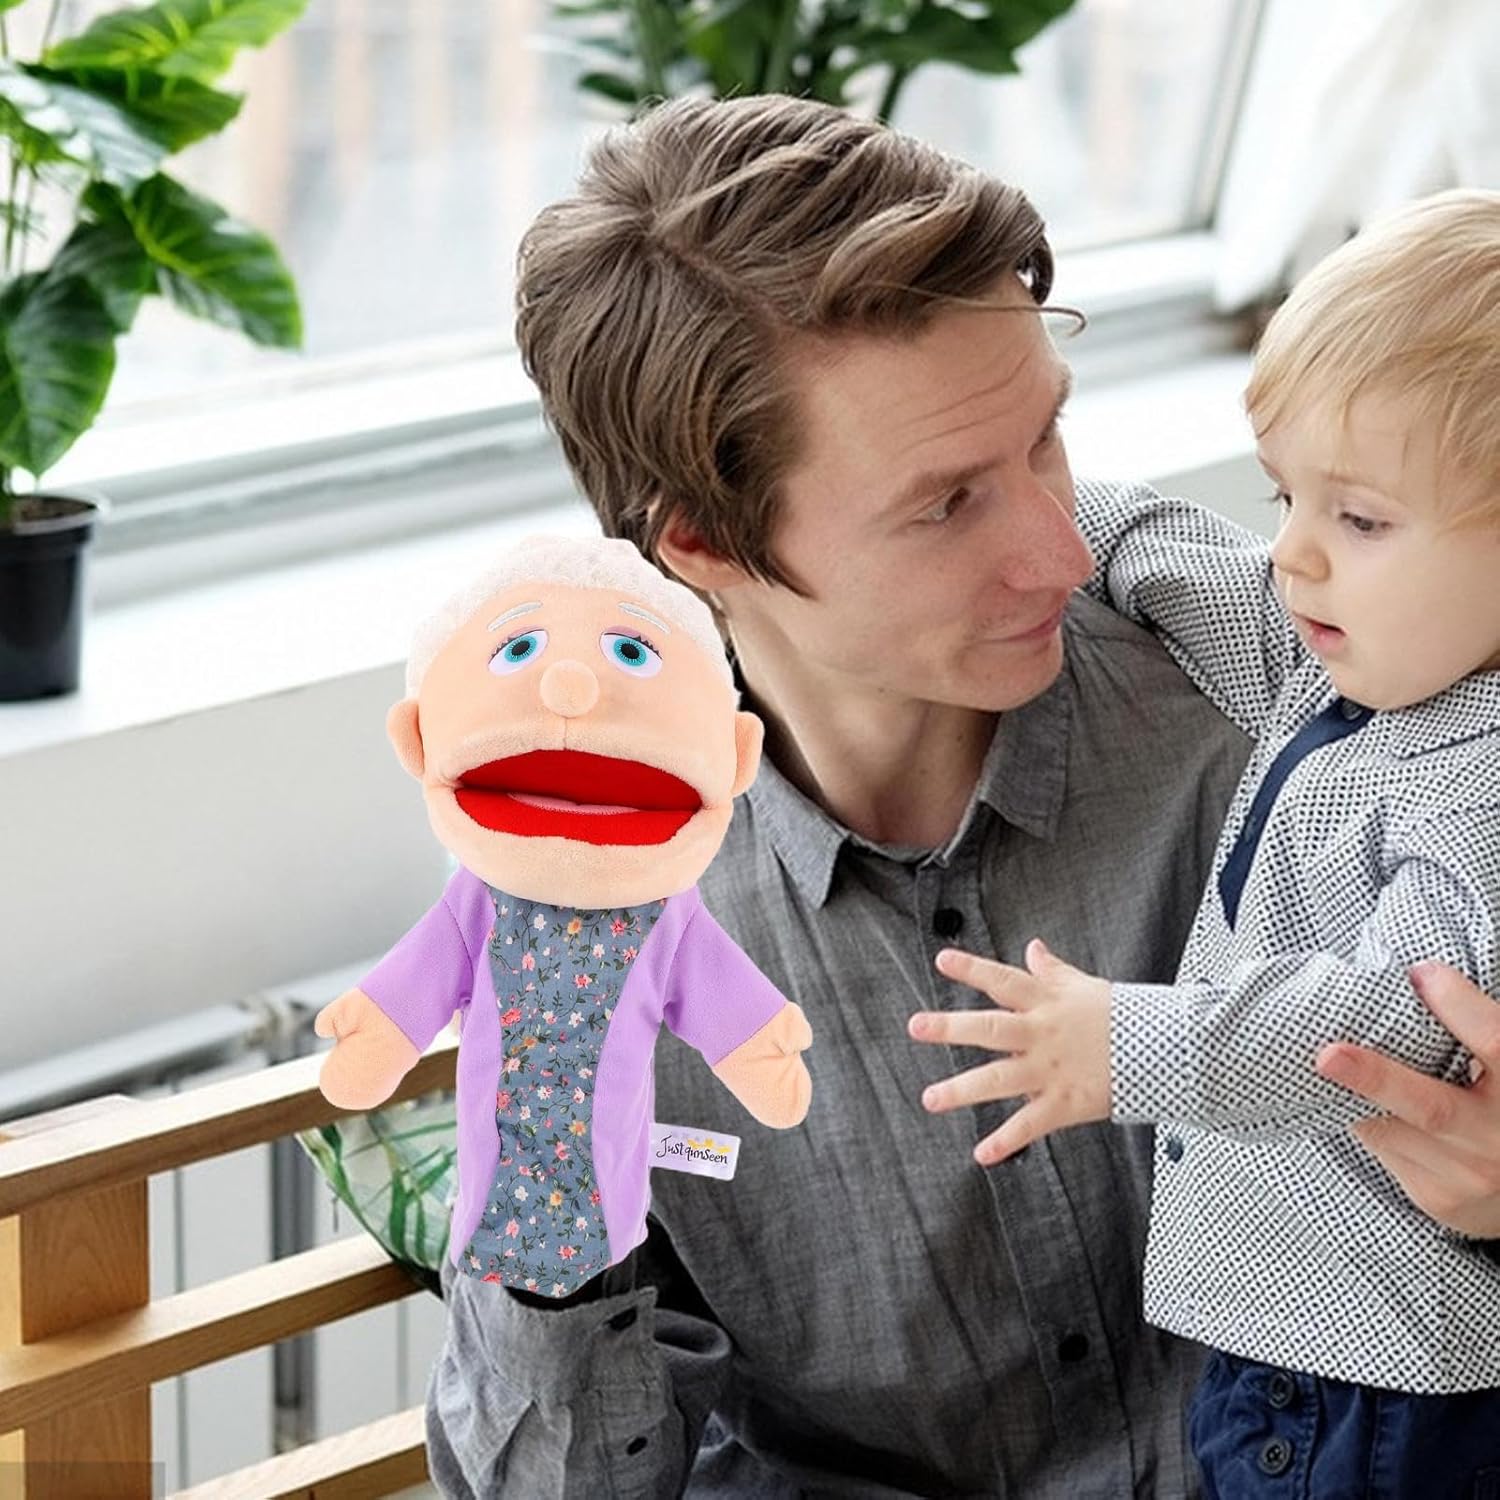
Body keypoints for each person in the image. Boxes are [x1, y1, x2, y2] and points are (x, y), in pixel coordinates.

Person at [420, 96, 1500, 1498]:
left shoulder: (1301, 709)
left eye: (1046, 439)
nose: (1063, 550)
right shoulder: (596, 925)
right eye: (946, 505)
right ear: (703, 547)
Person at [909, 190, 1500, 1495]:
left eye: (1360, 519)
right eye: (1287, 496)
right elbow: (1188, 563)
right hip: (1295, 1355)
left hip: (1375, 1383)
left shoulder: (1482, 788)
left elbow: (1390, 1023)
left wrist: (1127, 1045)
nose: (1293, 557)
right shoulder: (1359, 662)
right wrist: (1048, 522)